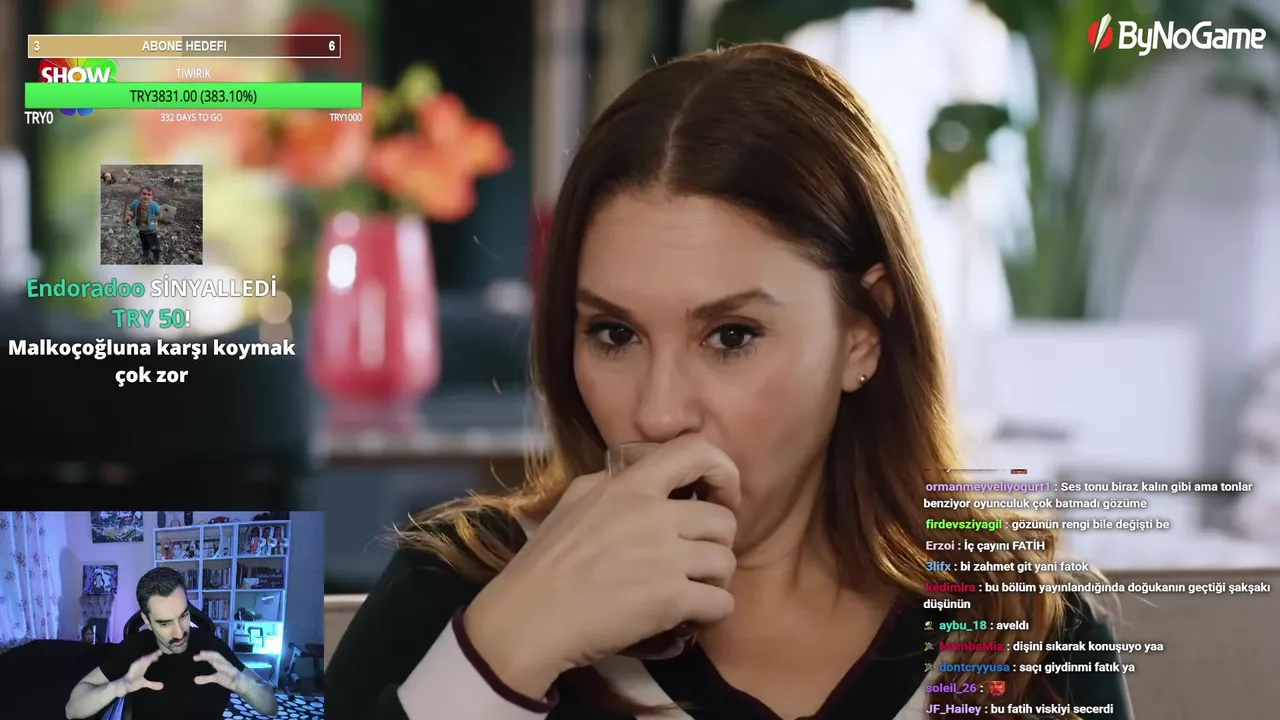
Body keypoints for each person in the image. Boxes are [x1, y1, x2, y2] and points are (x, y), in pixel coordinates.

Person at [326, 43, 1134, 720]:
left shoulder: (1022, 630)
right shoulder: (456, 591)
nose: (659, 411)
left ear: (864, 332)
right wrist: (506, 651)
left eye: (732, 336)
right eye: (613, 334)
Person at [65, 567, 279, 719]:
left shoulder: (211, 646)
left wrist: (243, 684)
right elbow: (72, 709)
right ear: (147, 621)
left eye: (183, 615)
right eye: (165, 623)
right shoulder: (134, 647)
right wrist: (117, 687)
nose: (179, 632)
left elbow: (270, 707)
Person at [123, 185, 163, 264]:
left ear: (152, 196)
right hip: (141, 230)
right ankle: (146, 255)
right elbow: (131, 212)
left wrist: (161, 217)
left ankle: (156, 257)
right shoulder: (136, 203)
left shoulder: (154, 205)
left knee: (154, 245)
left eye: (149, 195)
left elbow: (160, 214)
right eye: (144, 194)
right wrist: (128, 218)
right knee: (144, 244)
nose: (146, 197)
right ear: (140, 194)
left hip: (152, 230)